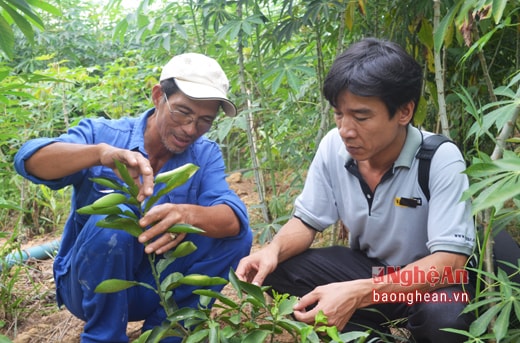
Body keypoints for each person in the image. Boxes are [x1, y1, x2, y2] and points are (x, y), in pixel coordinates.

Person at [236, 37, 475, 342]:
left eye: (361, 117)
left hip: (429, 283)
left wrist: (358, 292)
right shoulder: (333, 147)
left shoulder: (439, 158)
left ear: (404, 112)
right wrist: (272, 250)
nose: (346, 130)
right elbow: (306, 221)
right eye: (339, 114)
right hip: (373, 271)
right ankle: (367, 338)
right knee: (275, 270)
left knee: (445, 316)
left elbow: (449, 264)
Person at [14, 52, 253, 343]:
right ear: (157, 96)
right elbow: (30, 160)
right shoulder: (103, 134)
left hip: (153, 285)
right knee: (116, 220)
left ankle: (169, 333)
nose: (191, 129)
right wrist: (99, 154)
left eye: (204, 120)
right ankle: (104, 336)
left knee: (236, 237)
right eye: (182, 112)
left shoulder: (205, 153)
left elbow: (233, 217)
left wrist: (187, 215)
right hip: (88, 286)